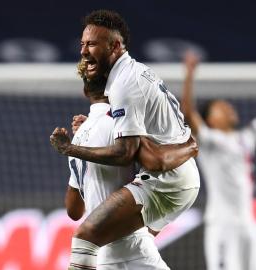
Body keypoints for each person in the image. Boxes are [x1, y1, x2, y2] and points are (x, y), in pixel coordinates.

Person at [50, 10, 200, 270]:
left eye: (92, 44)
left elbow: (130, 155)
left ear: (115, 46)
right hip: (125, 245)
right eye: (82, 44)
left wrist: (71, 148)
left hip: (169, 179)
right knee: (124, 237)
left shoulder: (122, 89)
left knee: (86, 237)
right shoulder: (130, 79)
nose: (84, 52)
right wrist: (189, 144)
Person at [181, 52, 256, 270]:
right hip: (222, 225)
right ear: (210, 120)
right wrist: (190, 73)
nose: (228, 108)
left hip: (247, 224)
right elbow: (188, 112)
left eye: (228, 105)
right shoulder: (209, 141)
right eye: (221, 107)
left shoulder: (245, 138)